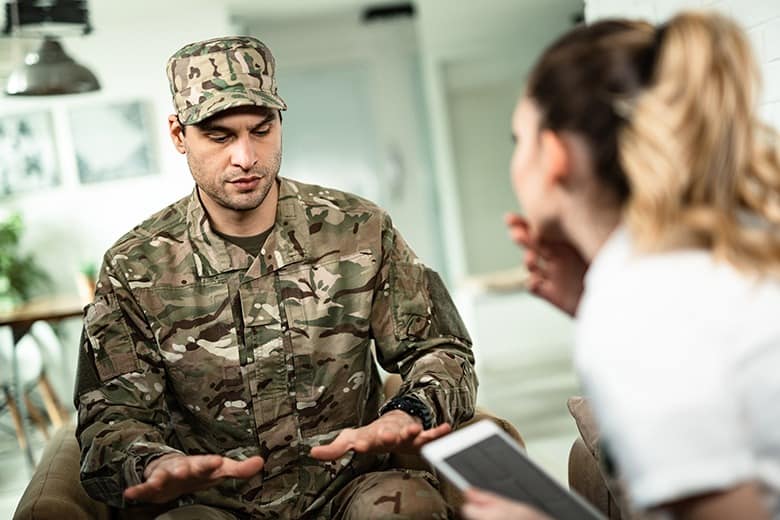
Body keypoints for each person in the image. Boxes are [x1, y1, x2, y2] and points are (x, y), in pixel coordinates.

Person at [74, 36, 477, 519]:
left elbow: (443, 351)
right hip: (214, 505)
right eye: (220, 136)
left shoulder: (360, 229)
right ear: (179, 135)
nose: (246, 157)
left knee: (407, 508)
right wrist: (153, 463)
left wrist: (408, 411)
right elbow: (110, 415)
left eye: (261, 130)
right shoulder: (134, 266)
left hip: (351, 491)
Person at [463, 11, 780, 520]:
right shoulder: (714, 247)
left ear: (554, 155)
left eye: (517, 140)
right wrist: (590, 304)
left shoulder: (633, 306)